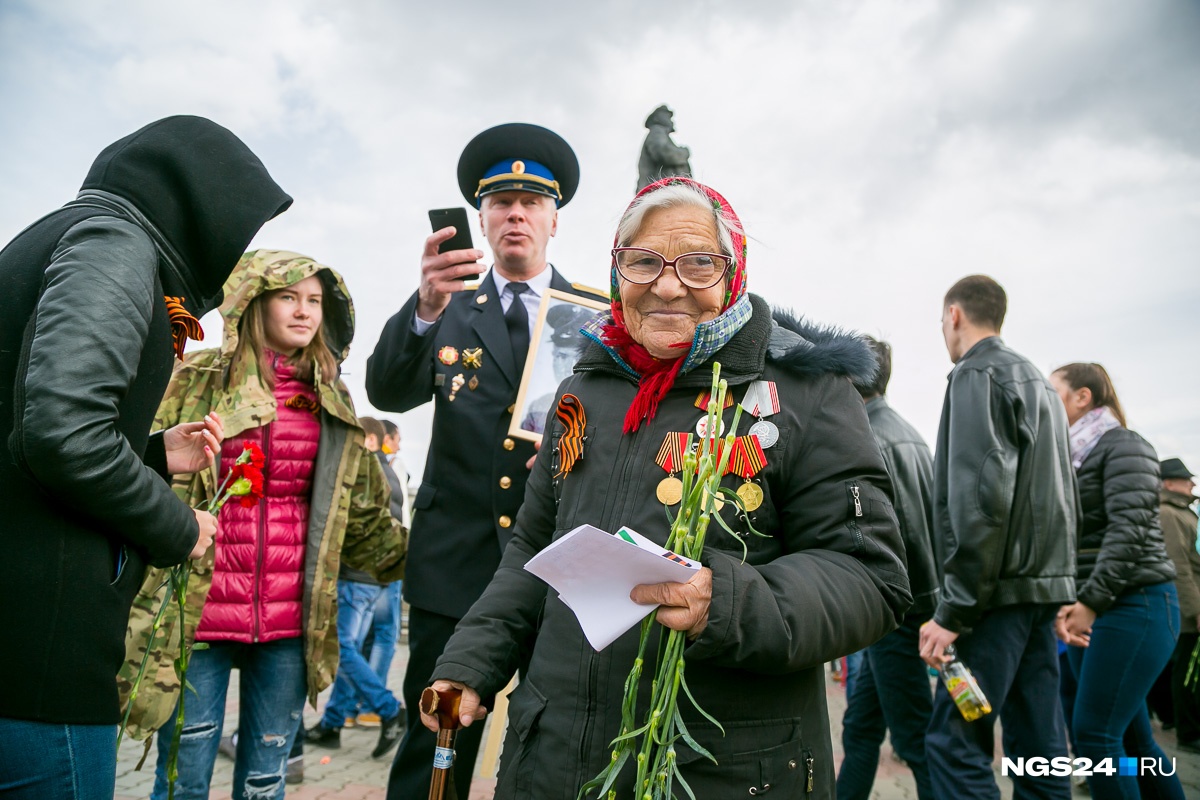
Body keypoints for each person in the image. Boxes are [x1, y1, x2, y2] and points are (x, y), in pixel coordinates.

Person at [419, 177, 911, 798]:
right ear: (617, 270)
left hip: (724, 770)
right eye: (643, 262)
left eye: (699, 263)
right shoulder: (583, 388)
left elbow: (870, 576)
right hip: (553, 760)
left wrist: (728, 602)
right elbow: (532, 549)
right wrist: (471, 663)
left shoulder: (809, 393)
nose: (668, 285)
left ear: (734, 273)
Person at [0, 115, 290, 800]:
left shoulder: (66, 233)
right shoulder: (114, 244)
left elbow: (37, 422)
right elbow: (62, 434)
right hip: (45, 650)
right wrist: (178, 524)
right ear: (202, 201)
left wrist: (154, 455)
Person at [366, 122, 606, 800]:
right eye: (502, 203)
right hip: (455, 561)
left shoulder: (595, 318)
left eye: (532, 202)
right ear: (481, 218)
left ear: (554, 220)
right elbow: (387, 390)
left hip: (555, 562)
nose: (517, 215)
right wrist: (423, 306)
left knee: (550, 741)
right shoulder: (448, 302)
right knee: (437, 741)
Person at [117, 250, 407, 800]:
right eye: (289, 297)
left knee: (266, 779)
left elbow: (364, 510)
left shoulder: (332, 397)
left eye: (316, 301)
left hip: (290, 620)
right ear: (254, 303)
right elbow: (138, 463)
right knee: (185, 777)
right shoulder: (199, 379)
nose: (304, 312)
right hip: (196, 612)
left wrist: (428, 558)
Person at [919, 275, 1078, 799]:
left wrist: (954, 610)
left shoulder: (977, 375)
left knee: (954, 742)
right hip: (1038, 590)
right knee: (1038, 747)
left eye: (942, 320)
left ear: (956, 315)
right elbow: (1062, 491)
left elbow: (980, 500)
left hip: (993, 598)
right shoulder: (1037, 383)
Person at [1048, 363, 1183, 799]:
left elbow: (1128, 531)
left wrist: (1088, 603)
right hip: (1102, 606)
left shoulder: (1123, 445)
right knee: (1131, 740)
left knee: (1096, 736)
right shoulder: (1071, 454)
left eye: (1055, 392)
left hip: (1134, 603)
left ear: (1083, 396)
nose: (1047, 402)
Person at [837, 336, 938, 800]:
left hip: (900, 610)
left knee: (917, 741)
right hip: (910, 605)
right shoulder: (905, 429)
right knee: (860, 729)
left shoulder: (870, 436)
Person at [305, 415, 408, 750]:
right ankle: (335, 721)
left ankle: (388, 708)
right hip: (382, 576)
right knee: (364, 646)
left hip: (357, 575)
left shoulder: (364, 472)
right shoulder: (391, 473)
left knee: (344, 647)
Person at [1159, 457, 1200, 753]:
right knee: (1186, 668)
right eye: (1185, 480)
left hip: (1189, 599)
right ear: (1168, 484)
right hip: (1187, 603)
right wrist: (1195, 609)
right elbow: (1179, 565)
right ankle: (1187, 729)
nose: (1192, 484)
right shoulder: (1169, 514)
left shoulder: (1181, 512)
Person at [519, 302, 595, 433]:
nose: (570, 367)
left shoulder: (601, 409)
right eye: (562, 357)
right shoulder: (538, 407)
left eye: (578, 358)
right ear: (553, 357)